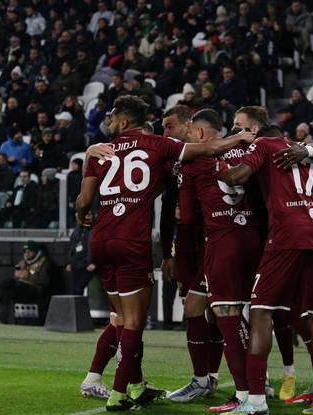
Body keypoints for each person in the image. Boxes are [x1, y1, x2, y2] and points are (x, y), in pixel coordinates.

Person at [77, 95, 256, 411]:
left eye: (111, 117)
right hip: (134, 241)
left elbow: (82, 201)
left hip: (100, 238)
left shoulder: (98, 151)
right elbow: (210, 151)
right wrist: (241, 137)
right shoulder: (158, 146)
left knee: (120, 317)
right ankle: (121, 393)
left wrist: (82, 216)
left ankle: (130, 383)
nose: (108, 122)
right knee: (133, 321)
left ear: (122, 121)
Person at [218, 135, 313, 415]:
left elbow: (237, 177)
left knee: (261, 311)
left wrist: (218, 167)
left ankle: (256, 401)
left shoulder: (263, 146)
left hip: (286, 235)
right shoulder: (311, 155)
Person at [175, 109, 261, 407]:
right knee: (196, 305)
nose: (185, 136)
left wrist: (187, 209)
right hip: (253, 238)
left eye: (188, 131)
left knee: (227, 314)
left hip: (222, 241)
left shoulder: (193, 161)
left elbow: (185, 218)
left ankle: (246, 393)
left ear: (199, 133)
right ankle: (208, 380)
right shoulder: (243, 149)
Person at [159, 105, 223, 403]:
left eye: (170, 127)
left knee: (218, 309)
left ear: (189, 126)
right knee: (206, 307)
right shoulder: (173, 162)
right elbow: (168, 209)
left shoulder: (213, 155)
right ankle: (209, 378)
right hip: (187, 245)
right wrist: (166, 252)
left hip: (213, 240)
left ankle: (211, 376)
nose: (166, 134)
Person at [0, 240, 52, 321]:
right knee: (7, 290)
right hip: (21, 287)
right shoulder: (24, 261)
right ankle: (1, 319)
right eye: (25, 251)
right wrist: (17, 274)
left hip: (34, 290)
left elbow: (44, 280)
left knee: (8, 284)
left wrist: (28, 276)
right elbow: (17, 277)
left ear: (35, 251)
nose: (27, 253)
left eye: (29, 251)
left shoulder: (44, 262)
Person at [66, 224, 96, 296]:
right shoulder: (77, 230)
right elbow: (71, 245)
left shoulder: (95, 229)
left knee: (79, 288)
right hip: (76, 264)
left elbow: (100, 247)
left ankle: (81, 306)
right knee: (74, 289)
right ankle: (78, 307)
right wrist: (70, 262)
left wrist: (95, 263)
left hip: (89, 264)